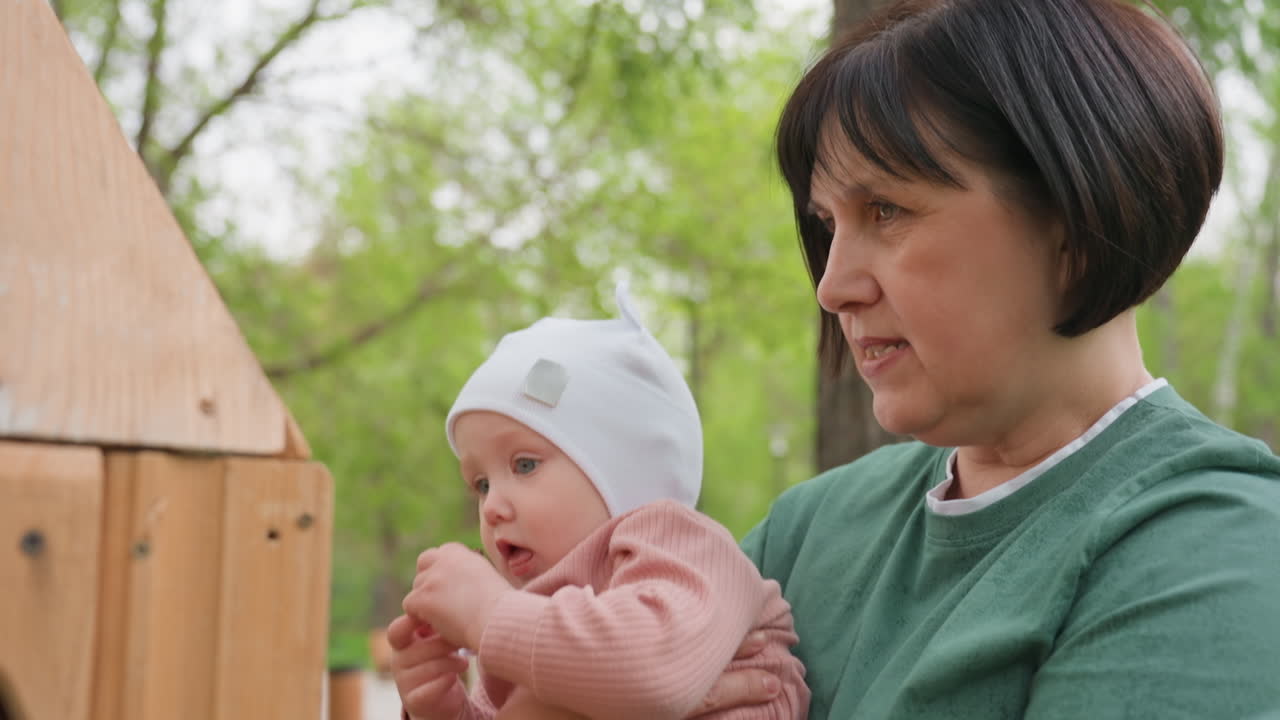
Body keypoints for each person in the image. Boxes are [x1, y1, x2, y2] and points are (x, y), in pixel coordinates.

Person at [689, 0, 1280, 718]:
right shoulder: (811, 529)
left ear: (1077, 218)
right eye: (826, 225)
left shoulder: (1212, 550)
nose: (832, 286)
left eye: (886, 210)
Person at [388, 283, 810, 720]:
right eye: (481, 484)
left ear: (621, 471)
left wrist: (488, 611)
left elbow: (651, 674)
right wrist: (442, 709)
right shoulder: (537, 616)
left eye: (525, 465)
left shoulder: (685, 547)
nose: (492, 507)